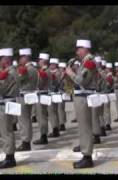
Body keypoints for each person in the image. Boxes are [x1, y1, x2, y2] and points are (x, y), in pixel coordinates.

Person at [65, 39, 97, 168]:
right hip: (81, 98)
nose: (77, 51)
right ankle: (85, 153)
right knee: (83, 128)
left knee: (85, 128)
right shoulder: (84, 63)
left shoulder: (89, 63)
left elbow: (81, 81)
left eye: (79, 49)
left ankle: (87, 157)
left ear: (86, 49)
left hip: (84, 98)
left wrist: (70, 73)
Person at [0, 48, 19, 168]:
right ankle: (9, 156)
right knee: (7, 131)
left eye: (1, 59)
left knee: (6, 132)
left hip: (5, 104)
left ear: (6, 60)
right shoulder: (11, 71)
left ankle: (9, 158)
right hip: (7, 103)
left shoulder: (8, 73)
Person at [16, 48, 38, 152]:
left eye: (21, 57)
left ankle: (25, 142)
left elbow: (18, 80)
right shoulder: (33, 68)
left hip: (24, 95)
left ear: (26, 57)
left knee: (23, 120)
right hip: (28, 95)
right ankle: (26, 141)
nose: (20, 60)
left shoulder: (25, 69)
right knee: (27, 120)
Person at [33, 53, 51, 145]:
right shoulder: (45, 70)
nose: (38, 62)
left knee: (41, 116)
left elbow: (40, 84)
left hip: (42, 94)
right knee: (42, 115)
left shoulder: (44, 71)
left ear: (43, 61)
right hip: (43, 94)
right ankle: (43, 135)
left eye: (39, 60)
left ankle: (43, 136)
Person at [47, 58, 62, 138]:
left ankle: (55, 129)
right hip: (50, 93)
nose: (51, 65)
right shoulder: (50, 71)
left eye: (53, 64)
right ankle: (55, 128)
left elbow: (57, 82)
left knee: (53, 111)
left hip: (55, 93)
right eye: (51, 64)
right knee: (52, 112)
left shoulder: (58, 72)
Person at [58, 62, 68, 131]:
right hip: (60, 93)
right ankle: (62, 122)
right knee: (60, 109)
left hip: (62, 93)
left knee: (60, 109)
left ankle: (62, 124)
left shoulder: (65, 75)